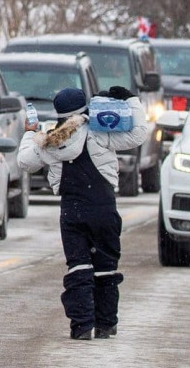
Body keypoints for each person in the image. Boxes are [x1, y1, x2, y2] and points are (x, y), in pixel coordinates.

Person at [16, 86, 150, 341]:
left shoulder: (49, 142)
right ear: (85, 110)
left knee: (78, 267)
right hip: (104, 208)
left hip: (72, 211)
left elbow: (24, 162)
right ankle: (105, 324)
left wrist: (30, 132)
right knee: (106, 267)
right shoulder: (99, 133)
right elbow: (139, 133)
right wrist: (131, 99)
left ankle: (81, 326)